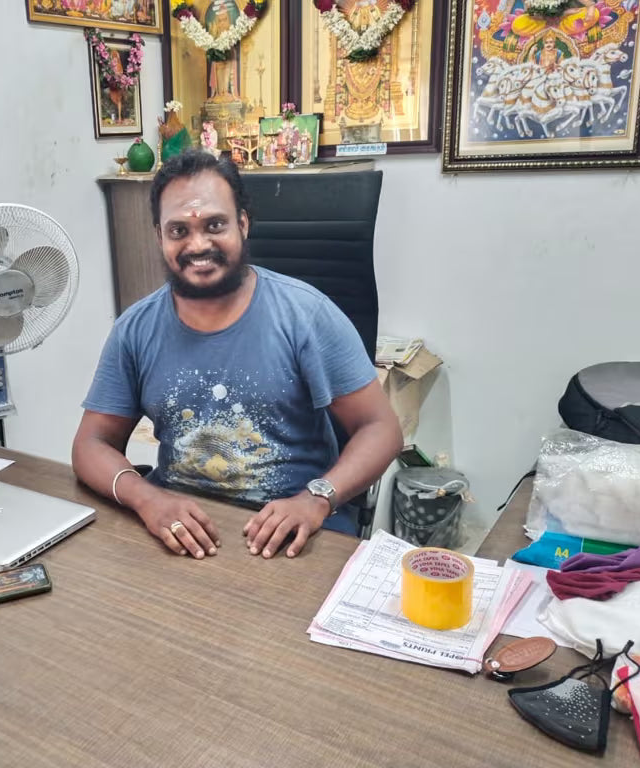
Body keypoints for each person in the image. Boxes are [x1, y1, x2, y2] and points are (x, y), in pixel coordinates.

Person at [72, 150, 402, 561]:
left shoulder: (306, 315)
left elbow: (381, 428)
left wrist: (317, 499)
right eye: (178, 231)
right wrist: (146, 499)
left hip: (293, 532)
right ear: (159, 236)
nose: (198, 245)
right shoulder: (135, 329)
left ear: (243, 224)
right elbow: (91, 443)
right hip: (182, 528)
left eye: (214, 225)